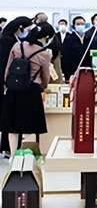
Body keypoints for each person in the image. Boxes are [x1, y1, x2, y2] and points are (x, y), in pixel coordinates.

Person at [1, 22, 54, 155]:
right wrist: (43, 87)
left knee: (12, 126)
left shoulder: (17, 46)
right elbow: (45, 76)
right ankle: (27, 155)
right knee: (30, 126)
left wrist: (8, 84)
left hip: (14, 89)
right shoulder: (44, 53)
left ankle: (13, 155)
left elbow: (8, 69)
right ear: (46, 37)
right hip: (32, 90)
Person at [0, 17, 33, 155]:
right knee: (8, 116)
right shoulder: (7, 41)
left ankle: (8, 146)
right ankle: (7, 147)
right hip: (8, 83)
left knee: (9, 116)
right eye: (27, 29)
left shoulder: (14, 39)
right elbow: (3, 63)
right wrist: (5, 81)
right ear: (20, 27)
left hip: (13, 82)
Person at [61, 16, 91, 81]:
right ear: (74, 26)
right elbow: (65, 58)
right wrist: (68, 74)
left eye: (82, 24)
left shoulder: (88, 38)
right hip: (72, 71)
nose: (80, 26)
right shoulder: (69, 39)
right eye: (78, 24)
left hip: (85, 70)